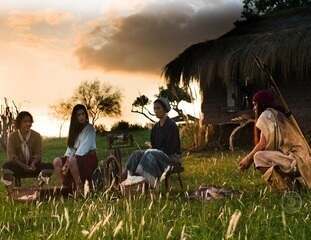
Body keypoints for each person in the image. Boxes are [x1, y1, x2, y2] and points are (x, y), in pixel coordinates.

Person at [239, 90, 311, 191]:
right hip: (302, 159)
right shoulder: (277, 114)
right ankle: (293, 185)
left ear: (261, 104)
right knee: (265, 156)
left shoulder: (267, 115)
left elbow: (262, 144)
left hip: (295, 160)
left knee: (259, 157)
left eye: (255, 104)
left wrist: (248, 159)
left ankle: (284, 189)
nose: (254, 108)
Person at [124, 97, 181, 187]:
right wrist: (153, 151)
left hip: (171, 156)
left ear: (165, 109)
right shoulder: (155, 127)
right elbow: (154, 145)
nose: (156, 111)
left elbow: (172, 148)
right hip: (155, 154)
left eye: (158, 108)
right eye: (155, 108)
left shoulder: (171, 125)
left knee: (149, 154)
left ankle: (149, 181)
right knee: (136, 154)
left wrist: (155, 152)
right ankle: (128, 178)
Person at [53, 104, 97, 193]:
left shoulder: (90, 128)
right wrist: (66, 161)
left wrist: (68, 162)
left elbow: (83, 149)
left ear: (86, 115)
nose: (81, 117)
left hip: (88, 158)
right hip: (75, 158)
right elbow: (70, 149)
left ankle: (79, 186)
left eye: (83, 114)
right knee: (57, 161)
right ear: (75, 117)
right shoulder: (75, 131)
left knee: (72, 160)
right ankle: (65, 186)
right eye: (78, 115)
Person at [2, 111, 53, 185]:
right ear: (19, 123)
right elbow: (12, 156)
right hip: (18, 167)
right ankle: (11, 192)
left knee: (49, 167)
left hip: (33, 167)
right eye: (25, 121)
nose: (28, 124)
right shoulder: (12, 136)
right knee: (6, 167)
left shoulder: (36, 136)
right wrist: (24, 166)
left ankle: (39, 187)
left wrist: (33, 164)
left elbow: (38, 154)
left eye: (30, 122)